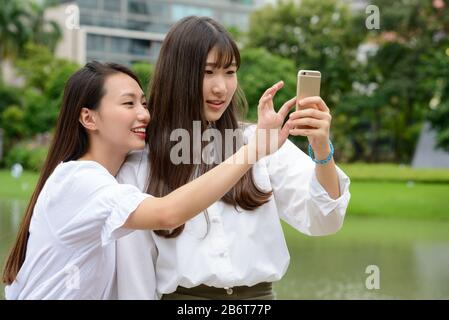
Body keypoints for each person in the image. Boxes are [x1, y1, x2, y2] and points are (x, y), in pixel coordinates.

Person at [2, 61, 292, 299]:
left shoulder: (113, 179)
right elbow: (167, 214)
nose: (144, 114)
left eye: (143, 103)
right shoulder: (78, 180)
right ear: (89, 119)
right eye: (128, 104)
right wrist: (252, 151)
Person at [116, 16, 351, 300]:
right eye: (208, 72)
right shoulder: (142, 163)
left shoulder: (261, 141)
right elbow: (134, 279)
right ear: (177, 75)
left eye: (229, 72)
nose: (221, 88)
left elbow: (325, 219)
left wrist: (322, 148)